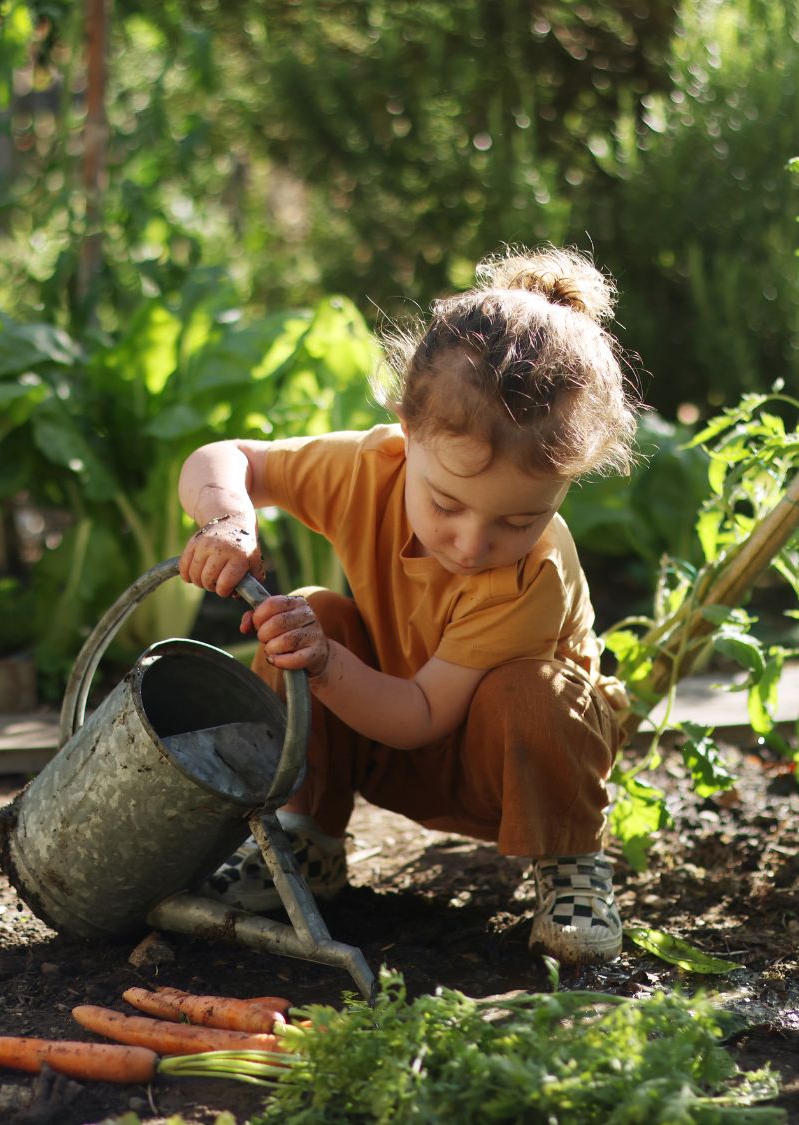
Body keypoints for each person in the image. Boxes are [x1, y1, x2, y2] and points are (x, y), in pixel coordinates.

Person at [175, 246, 641, 964]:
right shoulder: (369, 468)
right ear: (405, 429)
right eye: (446, 503)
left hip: (502, 770)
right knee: (310, 613)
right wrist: (228, 522)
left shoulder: (532, 575)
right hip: (383, 733)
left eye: (518, 520)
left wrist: (327, 665)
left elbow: (423, 714)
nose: (473, 540)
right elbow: (228, 458)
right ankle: (306, 838)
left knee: (538, 692)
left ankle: (570, 862)